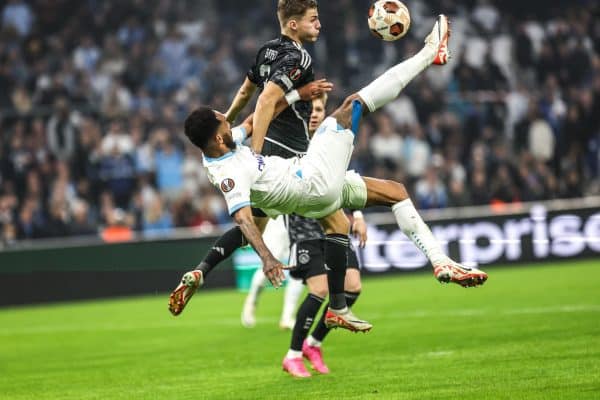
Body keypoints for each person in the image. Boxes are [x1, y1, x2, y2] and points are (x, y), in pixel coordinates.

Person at [170, 15, 488, 333]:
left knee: (391, 193)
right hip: (310, 181)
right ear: (217, 137)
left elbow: (252, 121)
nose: (229, 119)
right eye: (223, 120)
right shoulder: (228, 173)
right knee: (354, 104)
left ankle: (426, 267)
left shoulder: (222, 146)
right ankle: (429, 53)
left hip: (308, 197)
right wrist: (267, 258)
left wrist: (298, 94)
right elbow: (242, 219)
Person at [213, 0, 331, 330]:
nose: (319, 24)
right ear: (293, 25)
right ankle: (339, 298)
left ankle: (205, 268)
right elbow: (265, 100)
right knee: (331, 215)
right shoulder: (300, 57)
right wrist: (256, 153)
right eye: (313, 19)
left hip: (276, 156)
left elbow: (246, 90)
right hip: (285, 159)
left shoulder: (266, 50)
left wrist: (227, 119)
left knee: (253, 227)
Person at [281, 95, 369, 377]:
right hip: (305, 231)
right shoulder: (288, 144)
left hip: (333, 227)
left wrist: (358, 216)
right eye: (310, 110)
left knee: (353, 287)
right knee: (319, 289)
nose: (315, 115)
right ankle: (292, 354)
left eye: (319, 110)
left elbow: (346, 179)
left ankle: (314, 343)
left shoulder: (330, 143)